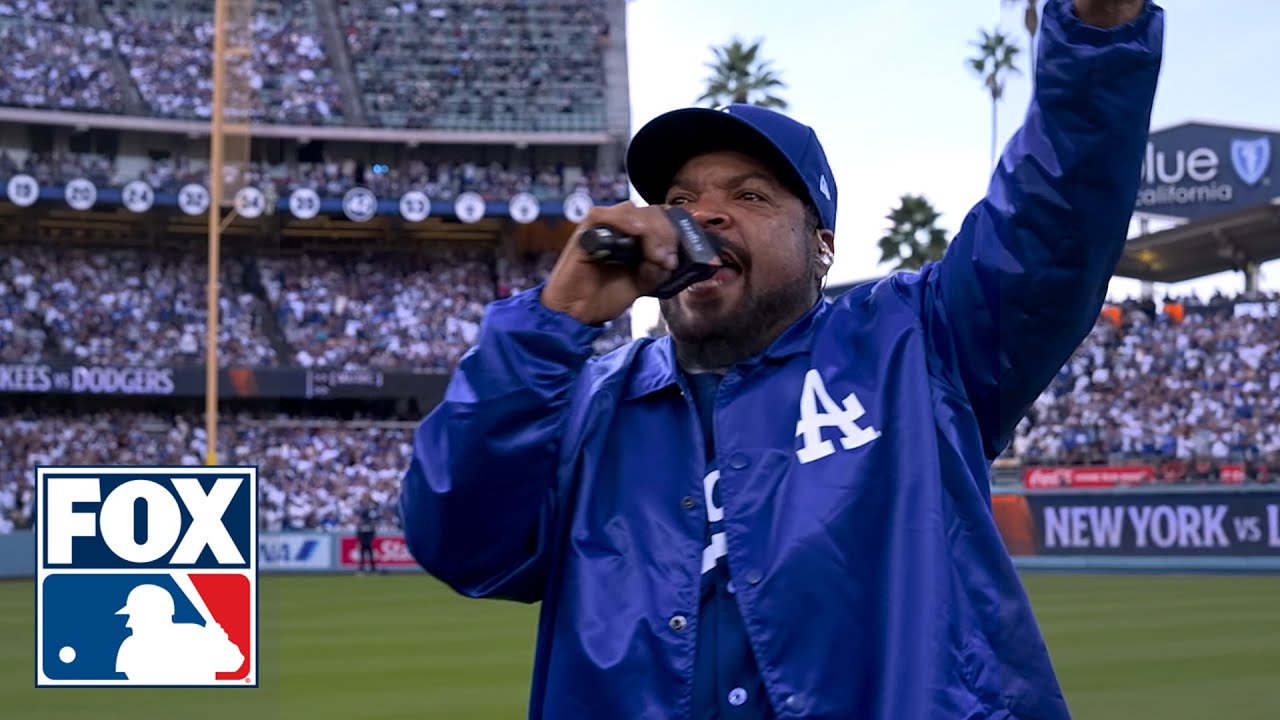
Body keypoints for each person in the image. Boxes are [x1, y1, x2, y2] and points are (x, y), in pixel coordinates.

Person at [399, 1, 1164, 717]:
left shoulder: (918, 342)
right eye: (680, 198)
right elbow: (460, 541)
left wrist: (1097, 33)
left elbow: (1054, 220)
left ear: (822, 246)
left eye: (752, 195)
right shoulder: (584, 405)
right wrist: (548, 323)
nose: (703, 214)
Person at [114, 584, 243, 684]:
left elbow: (234, 663)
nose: (129, 623)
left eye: (135, 615)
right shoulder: (132, 645)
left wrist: (220, 643)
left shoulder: (196, 634)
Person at [356, 501, 379, 574]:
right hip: (365, 542)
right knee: (364, 556)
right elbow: (359, 534)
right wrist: (362, 541)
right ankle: (363, 569)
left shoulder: (367, 524)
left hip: (367, 542)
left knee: (370, 556)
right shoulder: (362, 524)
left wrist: (368, 541)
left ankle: (371, 569)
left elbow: (373, 533)